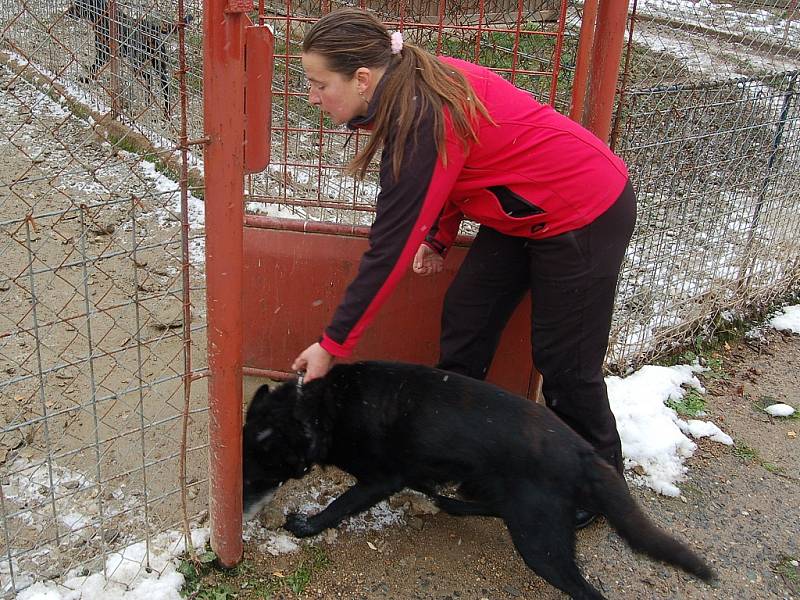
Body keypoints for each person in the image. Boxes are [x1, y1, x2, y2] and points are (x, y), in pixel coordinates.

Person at [291, 7, 637, 528]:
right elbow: (465, 165)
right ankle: (475, 459)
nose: (312, 97)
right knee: (467, 322)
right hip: (522, 213)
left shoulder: (421, 115)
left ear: (362, 78)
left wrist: (333, 345)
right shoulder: (407, 89)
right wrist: (439, 234)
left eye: (319, 84)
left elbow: (388, 250)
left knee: (565, 363)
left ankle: (600, 485)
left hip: (583, 210)